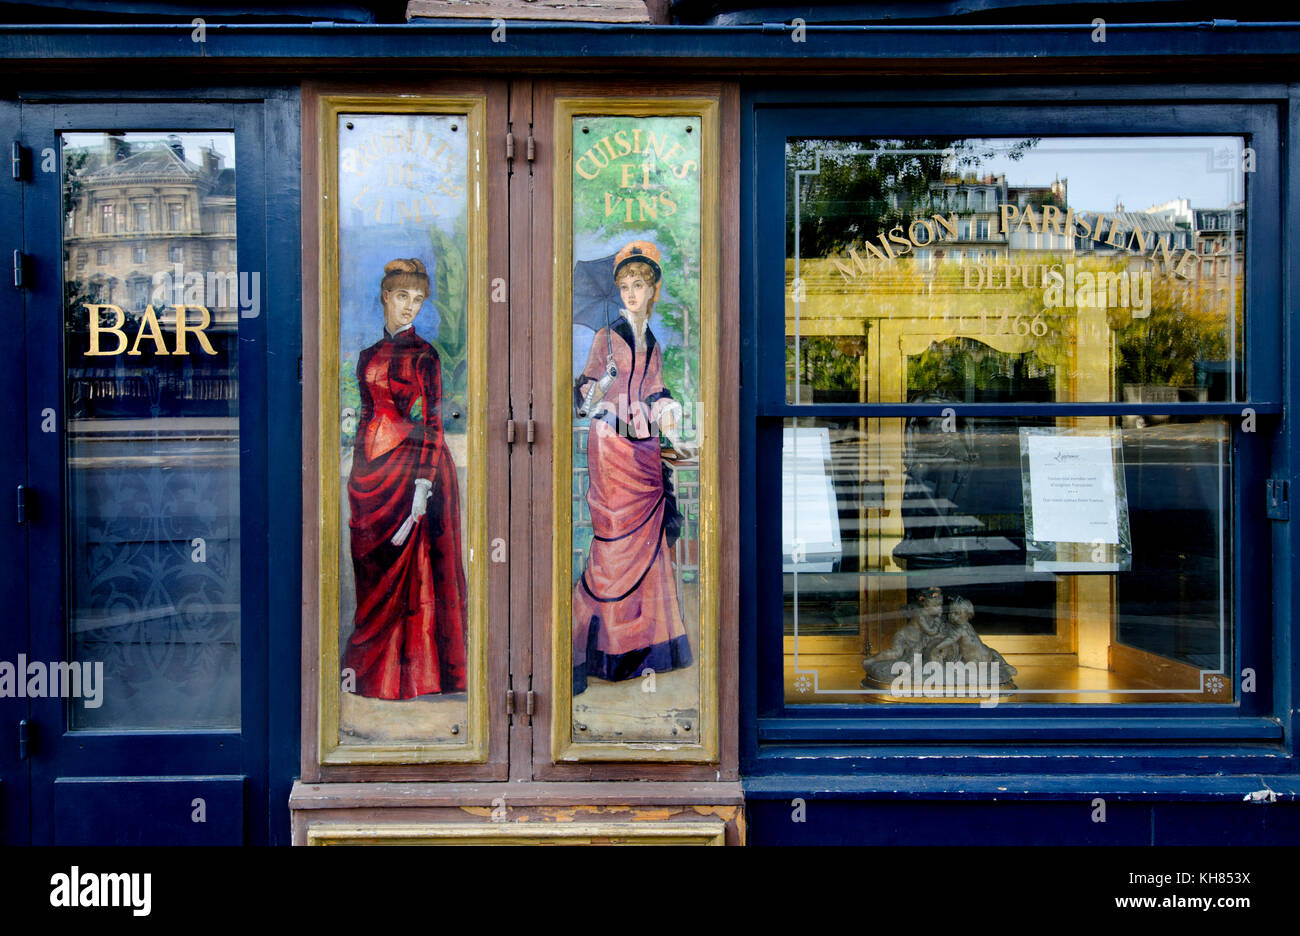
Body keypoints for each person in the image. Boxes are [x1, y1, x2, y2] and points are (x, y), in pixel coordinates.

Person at [571, 241, 696, 695]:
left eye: (638, 285)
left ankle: (649, 645)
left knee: (650, 543)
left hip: (643, 450)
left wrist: (669, 409)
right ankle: (598, 645)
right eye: (624, 286)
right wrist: (598, 382)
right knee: (615, 545)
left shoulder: (654, 342)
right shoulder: (606, 337)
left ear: (653, 290)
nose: (629, 293)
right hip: (611, 447)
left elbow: (656, 391)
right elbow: (584, 399)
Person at [342, 258, 468, 700]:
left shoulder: (425, 356)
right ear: (385, 296)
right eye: (402, 297)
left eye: (417, 300)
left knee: (415, 575)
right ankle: (374, 673)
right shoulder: (366, 357)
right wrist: (357, 470)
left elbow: (432, 424)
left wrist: (421, 490)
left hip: (417, 473)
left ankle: (413, 677)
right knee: (373, 572)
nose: (410, 307)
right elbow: (366, 418)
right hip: (370, 476)